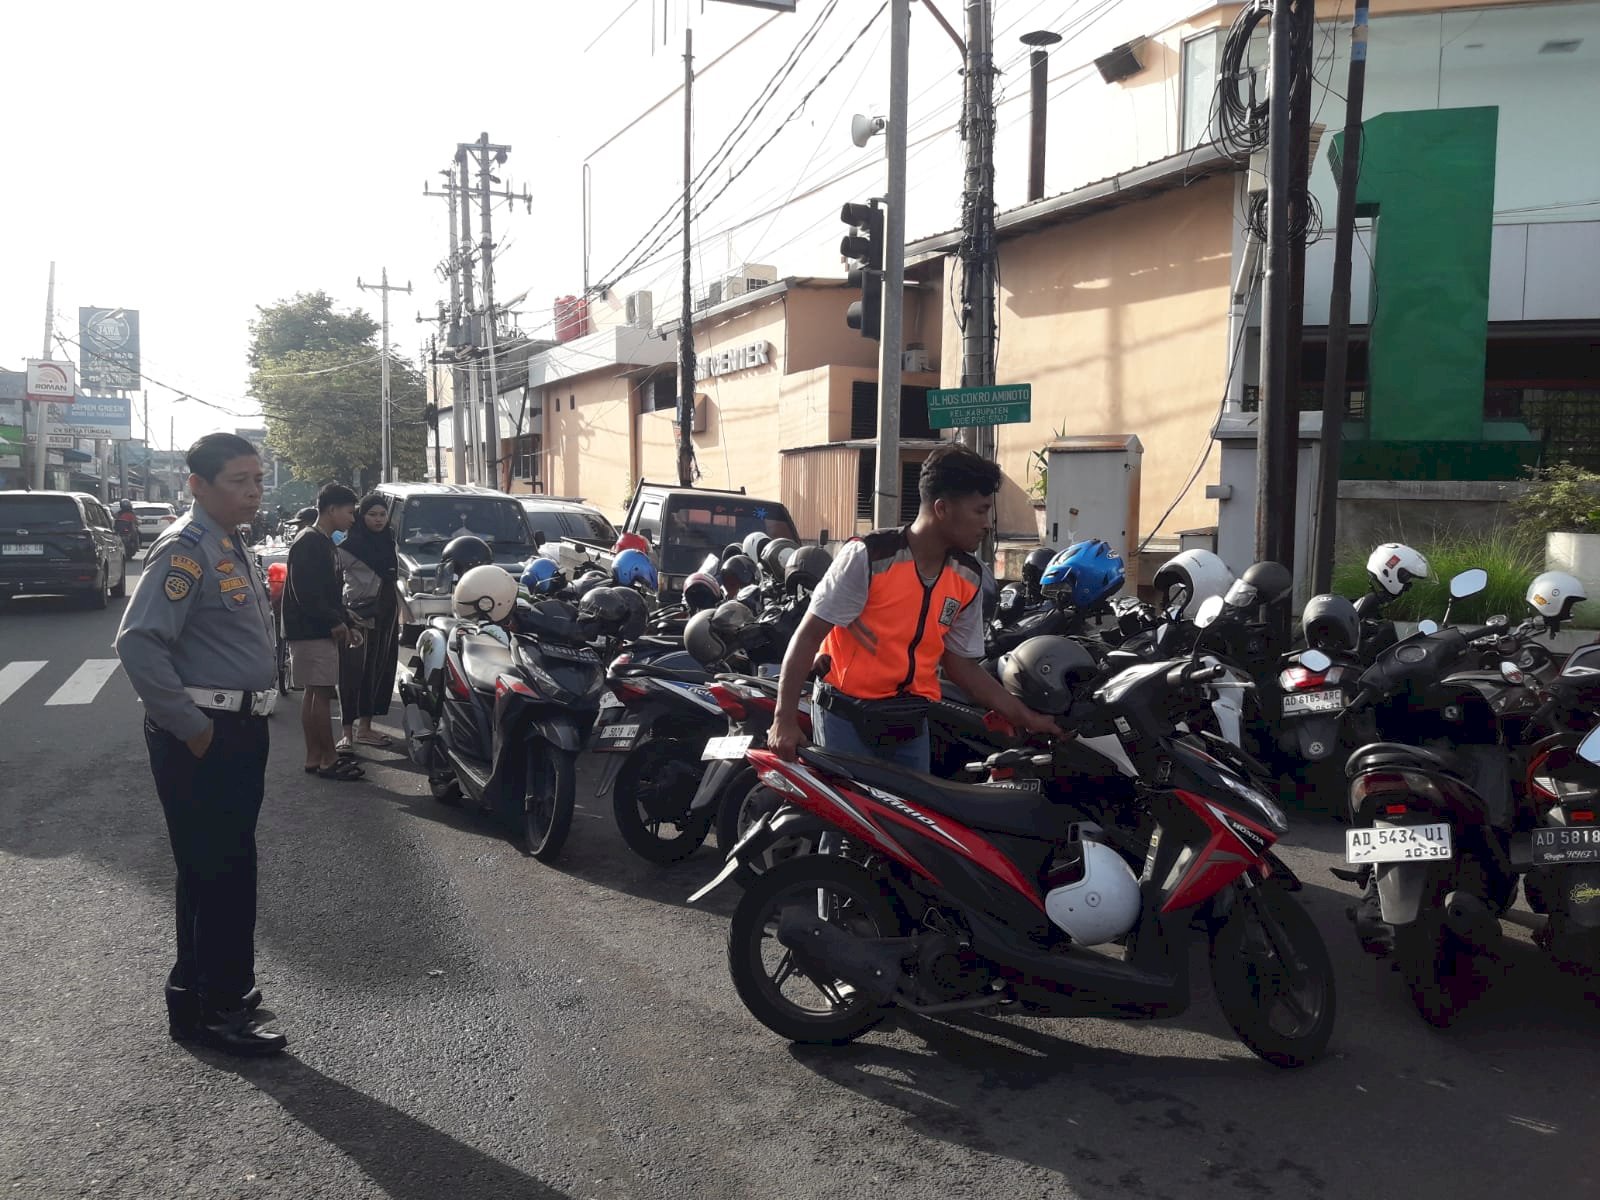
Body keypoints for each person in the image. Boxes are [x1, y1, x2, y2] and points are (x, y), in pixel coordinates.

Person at [114, 432, 287, 1056]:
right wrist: (193, 728)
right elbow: (138, 643)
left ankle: (207, 996)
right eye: (239, 480)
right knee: (218, 870)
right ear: (198, 485)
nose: (252, 491)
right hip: (208, 734)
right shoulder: (184, 551)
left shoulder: (228, 543)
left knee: (222, 867)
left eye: (257, 479)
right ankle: (217, 1008)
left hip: (240, 727)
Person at [769, 444, 1059, 770]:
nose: (987, 524)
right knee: (856, 820)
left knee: (913, 820)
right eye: (980, 511)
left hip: (910, 723)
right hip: (845, 717)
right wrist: (784, 719)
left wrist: (1026, 717)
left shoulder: (969, 576)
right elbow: (808, 635)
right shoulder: (868, 557)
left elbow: (961, 665)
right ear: (942, 508)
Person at [283, 484, 362, 781]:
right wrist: (335, 621)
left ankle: (315, 756)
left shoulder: (323, 541)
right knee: (320, 694)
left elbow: (328, 593)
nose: (353, 519)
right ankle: (328, 758)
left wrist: (345, 619)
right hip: (312, 630)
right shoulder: (310, 542)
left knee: (314, 693)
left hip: (312, 628)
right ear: (331, 510)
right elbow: (307, 593)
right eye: (349, 512)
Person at [336, 493, 400, 752]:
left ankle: (366, 728)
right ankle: (347, 733)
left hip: (386, 614)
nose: (378, 519)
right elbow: (334, 580)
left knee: (377, 670)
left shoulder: (388, 542)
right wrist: (341, 613)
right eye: (372, 514)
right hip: (359, 616)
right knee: (352, 673)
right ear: (362, 517)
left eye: (382, 514)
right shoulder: (349, 547)